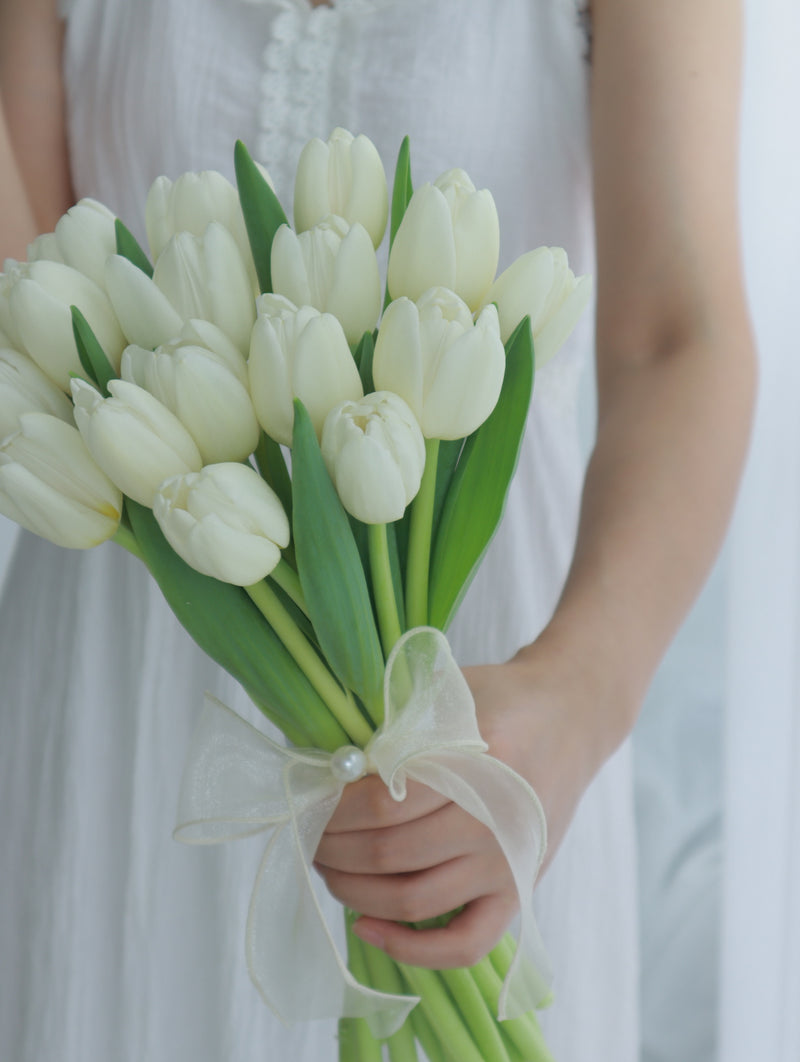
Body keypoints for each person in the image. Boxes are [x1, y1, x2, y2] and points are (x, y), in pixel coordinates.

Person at [0, 1, 755, 1060]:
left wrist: (575, 702)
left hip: (493, 724)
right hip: (120, 713)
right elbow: (25, 320)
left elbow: (679, 339)